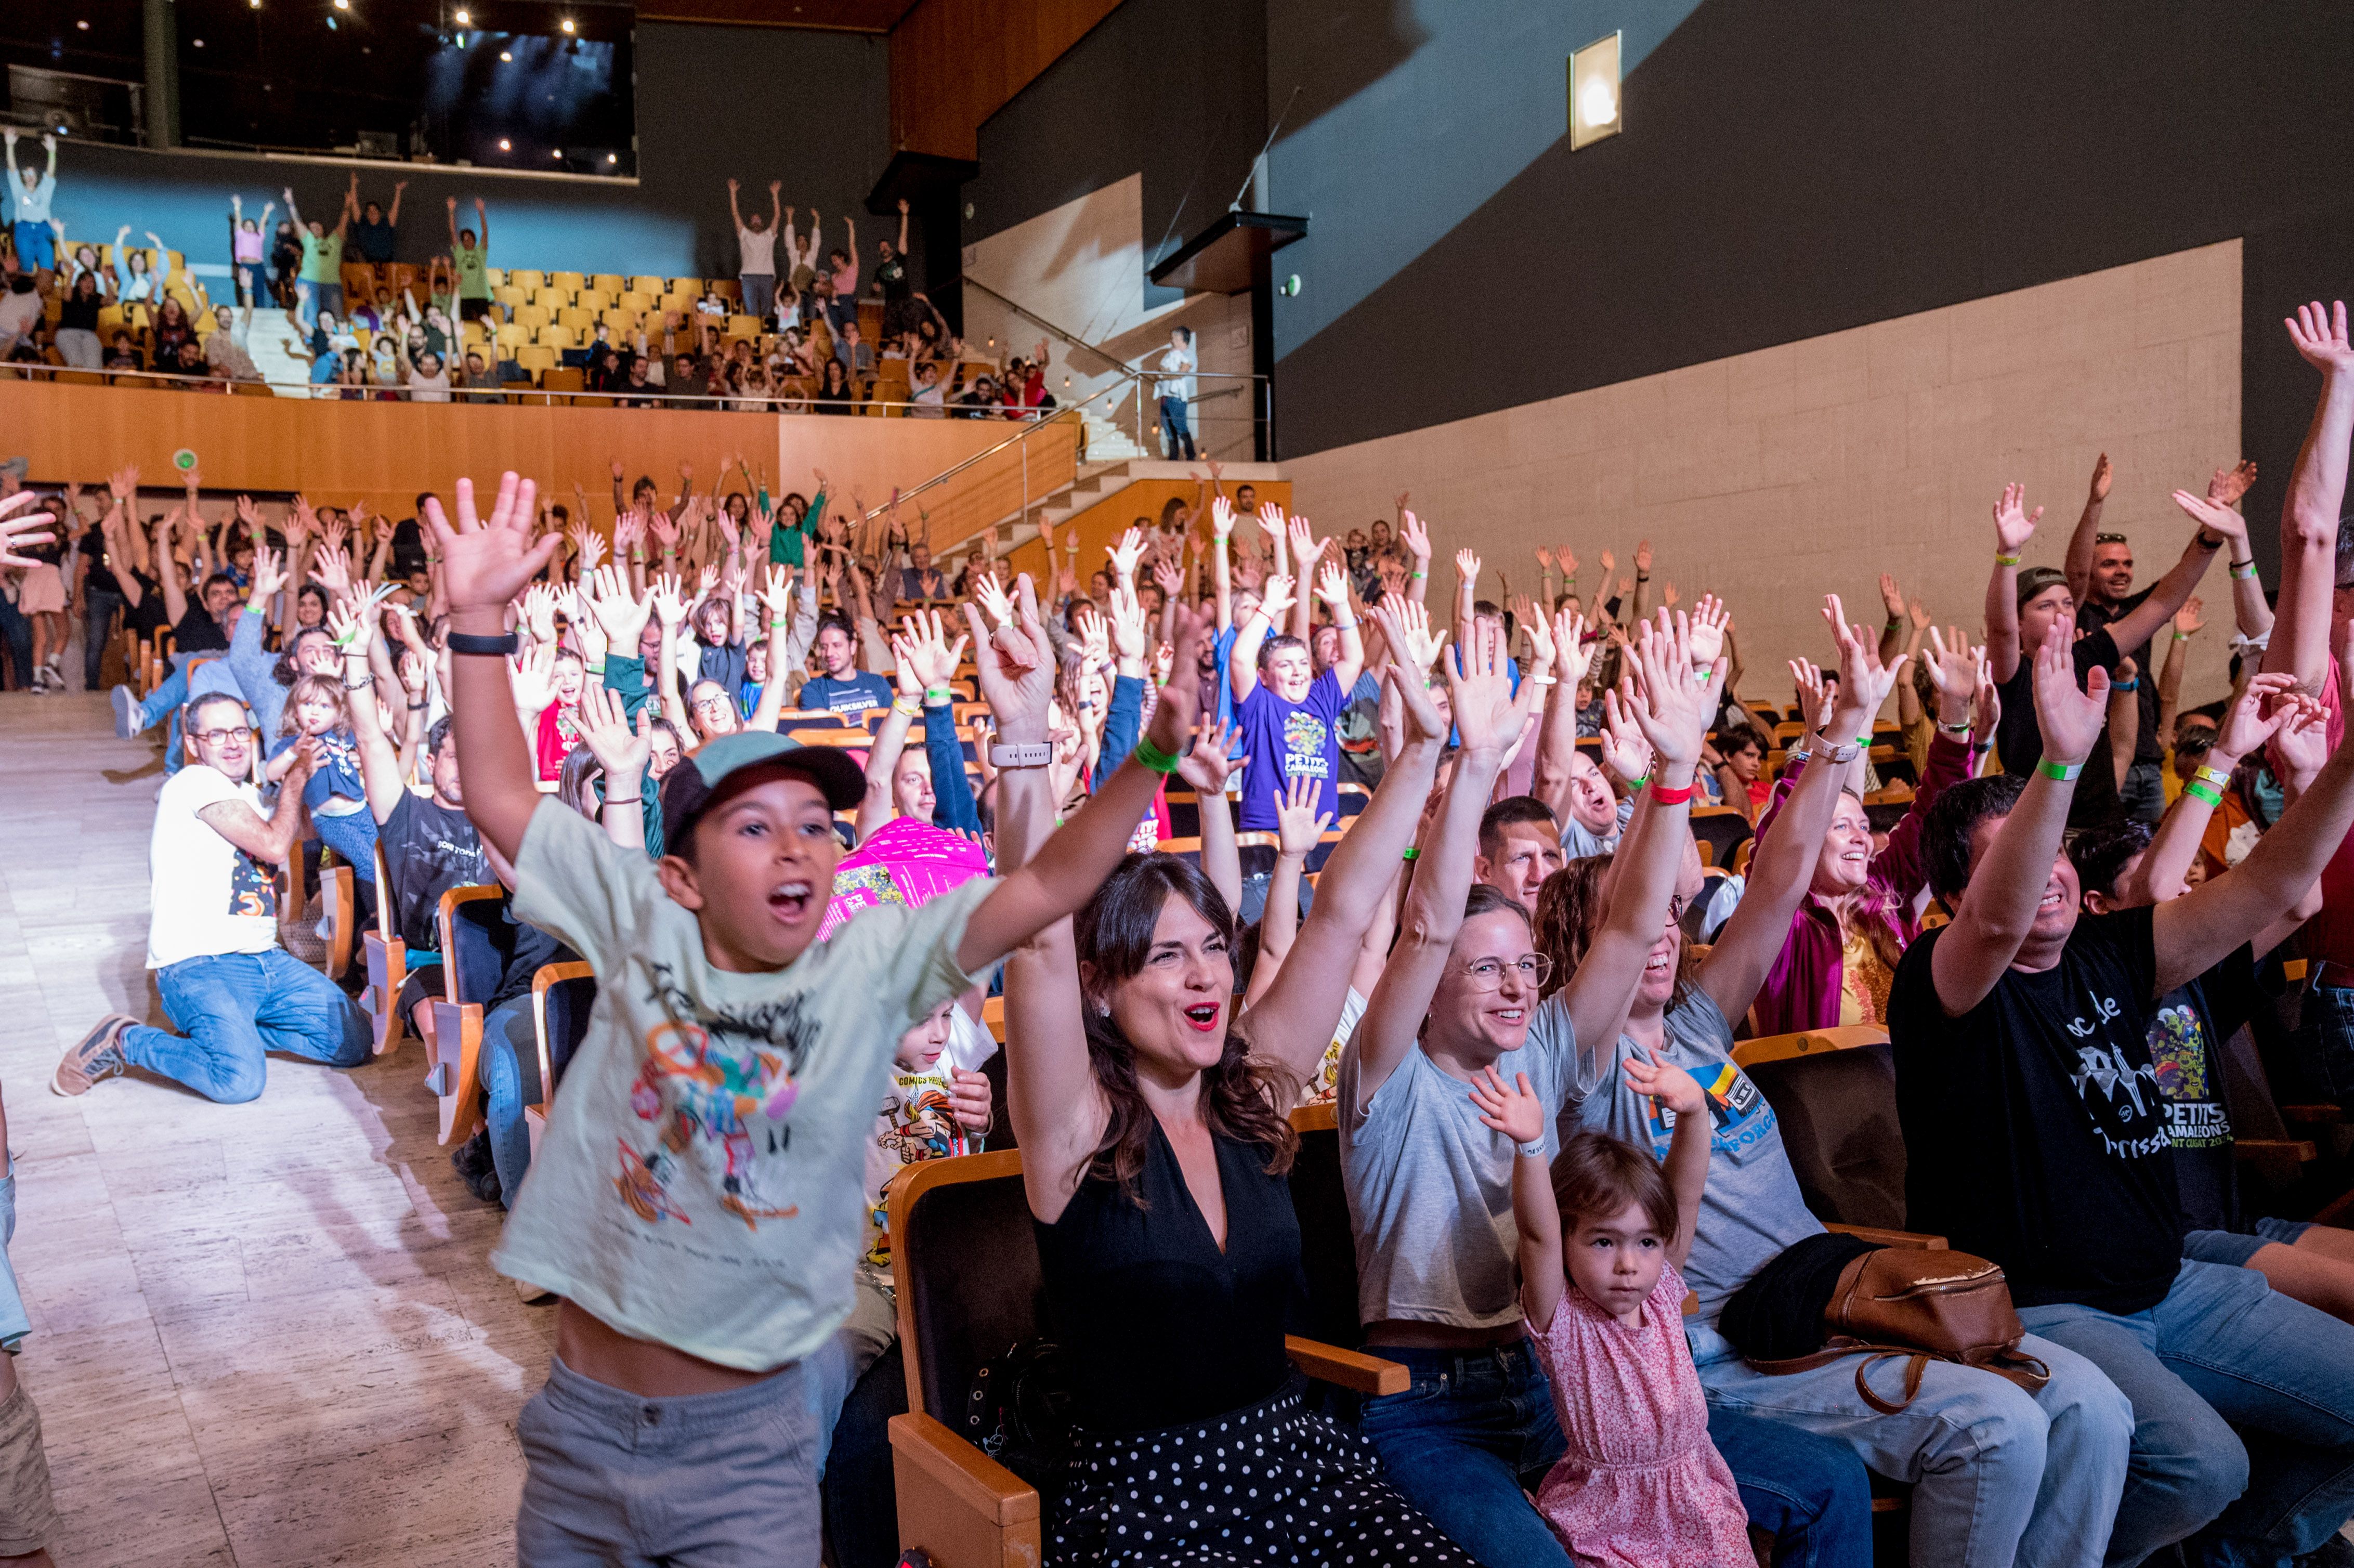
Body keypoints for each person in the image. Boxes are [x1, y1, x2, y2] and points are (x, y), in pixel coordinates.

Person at [425, 473, 1233, 1565]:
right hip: (583, 1423)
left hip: (748, 1439)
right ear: (681, 875)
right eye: (755, 824)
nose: (797, 841)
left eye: (816, 822)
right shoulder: (637, 931)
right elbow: (498, 794)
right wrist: (477, 625)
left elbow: (1043, 890)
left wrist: (1143, 758)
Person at [1352, 608, 1873, 1567]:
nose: (1515, 987)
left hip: (1563, 1373)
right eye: (1485, 970)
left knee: (1825, 1482)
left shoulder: (1541, 1050)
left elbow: (1631, 930)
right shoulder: (1386, 1072)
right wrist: (1462, 762)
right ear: (1429, 986)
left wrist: (1671, 775)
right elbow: (1422, 928)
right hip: (1430, 1404)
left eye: (1523, 968)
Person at [1003, 584, 1476, 1567]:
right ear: (1104, 990)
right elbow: (1037, 939)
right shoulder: (1072, 1130)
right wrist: (1020, 745)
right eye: (1168, 956)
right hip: (1147, 1501)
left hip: (1297, 1460)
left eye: (1214, 947)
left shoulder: (1253, 1093)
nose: (1206, 974)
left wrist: (1423, 751)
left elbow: (1344, 912)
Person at [1897, 613, 2354, 1565]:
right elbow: (1991, 922)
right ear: (1955, 896)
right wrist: (2058, 767)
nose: (2049, 873)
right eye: (2016, 854)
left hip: (2173, 1282)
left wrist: (2345, 770)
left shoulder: (2115, 951)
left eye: (2057, 847)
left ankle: (2235, 1555)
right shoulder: (1941, 980)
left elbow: (2272, 885)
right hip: (2046, 1305)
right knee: (2198, 1465)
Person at [1473, 1076, 1755, 1566]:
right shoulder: (1562, 1318)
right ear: (1569, 1242)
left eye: (1646, 1242)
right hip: (1608, 1521)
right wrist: (1532, 1146)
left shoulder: (1664, 1290)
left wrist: (1692, 1113)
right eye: (1604, 1242)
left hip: (1700, 1503)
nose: (1629, 1264)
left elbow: (1684, 1196)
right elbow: (1537, 1233)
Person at [56, 691, 371, 1104]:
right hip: (200, 966)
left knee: (355, 1041)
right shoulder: (195, 782)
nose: (234, 743)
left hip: (266, 961)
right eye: (218, 734)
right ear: (194, 744)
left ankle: (227, 1034)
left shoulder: (255, 799)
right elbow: (276, 847)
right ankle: (125, 1041)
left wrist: (344, 773)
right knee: (238, 1082)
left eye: (240, 731)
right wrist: (296, 777)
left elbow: (309, 831)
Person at [1986, 479, 2216, 828]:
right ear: (2020, 619)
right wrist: (2008, 555)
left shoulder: (2087, 655)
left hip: (2104, 827)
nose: (2063, 612)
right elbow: (2000, 629)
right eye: (2045, 605)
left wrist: (2209, 539)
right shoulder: (2014, 673)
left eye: (2067, 603)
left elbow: (2162, 602)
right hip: (2044, 832)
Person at [283, 182, 354, 332]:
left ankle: (339, 344)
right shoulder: (309, 240)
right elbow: (297, 222)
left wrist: (348, 206)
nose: (314, 228)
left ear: (323, 228)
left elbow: (344, 221)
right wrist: (291, 204)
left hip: (331, 283)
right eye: (312, 227)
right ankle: (312, 343)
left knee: (336, 316)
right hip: (309, 281)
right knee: (311, 316)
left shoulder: (334, 240)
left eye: (318, 226)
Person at [2, 132, 57, 280]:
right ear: (23, 177)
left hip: (43, 230)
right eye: (27, 173)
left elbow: (50, 174)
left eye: (33, 174)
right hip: (24, 230)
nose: (30, 176)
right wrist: (10, 146)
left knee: (47, 269)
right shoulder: (19, 190)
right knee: (26, 269)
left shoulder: (44, 191)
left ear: (37, 178)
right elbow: (13, 169)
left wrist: (52, 152)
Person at [728, 178, 780, 322]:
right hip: (749, 277)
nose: (756, 222)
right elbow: (735, 215)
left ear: (762, 223)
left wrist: (775, 195)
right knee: (750, 312)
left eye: (758, 220)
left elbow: (777, 217)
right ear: (750, 223)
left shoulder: (769, 235)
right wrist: (733, 193)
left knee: (766, 312)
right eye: (753, 220)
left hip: (767, 277)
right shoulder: (745, 235)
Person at [1155, 324, 1197, 460]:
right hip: (1165, 395)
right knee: (1167, 427)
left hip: (1177, 397)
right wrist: (1164, 374)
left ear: (1182, 339)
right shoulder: (1169, 354)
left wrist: (1166, 375)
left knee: (1180, 425)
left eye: (1174, 338)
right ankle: (1173, 457)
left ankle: (1190, 455)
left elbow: (1180, 373)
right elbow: (1160, 371)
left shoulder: (1189, 355)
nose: (1172, 341)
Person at [447, 197, 491, 322]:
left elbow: (485, 232)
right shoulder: (460, 252)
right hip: (465, 295)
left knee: (485, 324)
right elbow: (453, 232)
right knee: (467, 325)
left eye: (469, 238)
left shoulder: (480, 251)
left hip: (481, 294)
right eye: (464, 239)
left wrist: (481, 212)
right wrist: (451, 211)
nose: (467, 241)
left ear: (474, 240)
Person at [349, 179, 406, 276]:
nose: (373, 213)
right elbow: (354, 205)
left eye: (375, 210)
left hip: (387, 263)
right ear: (366, 215)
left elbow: (395, 208)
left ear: (379, 213)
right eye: (370, 211)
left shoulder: (387, 223)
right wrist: (353, 184)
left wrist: (398, 191)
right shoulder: (363, 222)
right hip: (367, 263)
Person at [228, 194, 276, 307]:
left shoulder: (259, 237)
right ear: (243, 228)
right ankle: (246, 308)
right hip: (246, 266)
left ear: (255, 228)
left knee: (259, 290)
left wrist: (267, 211)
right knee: (245, 288)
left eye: (251, 226)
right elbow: (238, 220)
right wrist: (237, 206)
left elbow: (262, 222)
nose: (249, 228)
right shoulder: (241, 235)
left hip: (258, 266)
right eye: (247, 226)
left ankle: (260, 309)